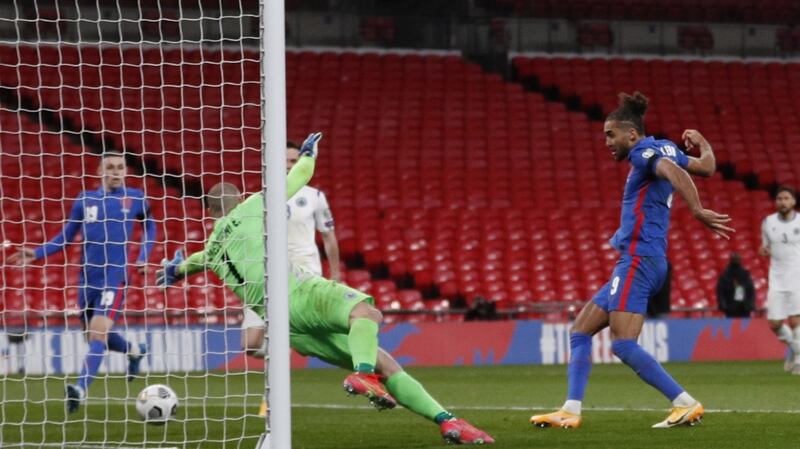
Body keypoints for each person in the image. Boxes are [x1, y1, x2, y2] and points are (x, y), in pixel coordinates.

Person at [156, 133, 494, 445]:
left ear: (209, 212)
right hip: (300, 295)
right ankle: (364, 376)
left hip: (285, 327)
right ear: (239, 200)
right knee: (366, 312)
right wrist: (308, 156)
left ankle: (448, 420)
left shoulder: (211, 249)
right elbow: (297, 178)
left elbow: (187, 266)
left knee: (385, 363)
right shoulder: (250, 208)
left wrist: (174, 271)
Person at [530, 92, 734, 430]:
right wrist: (703, 143)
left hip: (640, 259)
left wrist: (696, 209)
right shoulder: (666, 146)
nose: (607, 142)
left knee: (624, 344)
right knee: (580, 331)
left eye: (611, 135)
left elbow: (670, 170)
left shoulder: (643, 153)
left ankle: (684, 403)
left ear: (632, 134)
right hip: (640, 259)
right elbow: (706, 167)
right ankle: (570, 409)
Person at [9, 152, 155, 413]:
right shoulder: (85, 200)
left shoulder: (135, 198)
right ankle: (134, 349)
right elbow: (66, 236)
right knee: (95, 337)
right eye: (110, 167)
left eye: (120, 167)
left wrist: (143, 256)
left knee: (98, 332)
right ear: (100, 170)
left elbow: (150, 227)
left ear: (125, 171)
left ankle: (80, 388)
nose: (116, 172)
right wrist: (37, 253)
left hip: (116, 277)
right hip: (87, 279)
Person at [239, 140, 342, 416]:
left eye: (294, 161)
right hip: (267, 273)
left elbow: (328, 236)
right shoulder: (263, 196)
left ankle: (270, 401)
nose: (290, 165)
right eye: (285, 161)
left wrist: (336, 274)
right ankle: (289, 344)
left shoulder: (314, 196)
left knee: (283, 335)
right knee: (249, 345)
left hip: (304, 273)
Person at [759, 186, 800, 374]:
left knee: (795, 320)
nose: (783, 202)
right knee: (774, 323)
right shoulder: (768, 222)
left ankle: (799, 360)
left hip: (797, 275)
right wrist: (764, 250)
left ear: (793, 202)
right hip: (776, 278)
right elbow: (764, 246)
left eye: (786, 198)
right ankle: (795, 349)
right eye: (780, 199)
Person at [716, 253, 755, 318]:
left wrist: (751, 304)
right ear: (730, 260)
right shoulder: (725, 275)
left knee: (745, 327)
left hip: (744, 306)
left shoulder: (745, 273)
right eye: (734, 259)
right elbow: (720, 291)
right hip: (730, 307)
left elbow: (751, 290)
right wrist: (723, 305)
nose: (736, 260)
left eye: (737, 259)